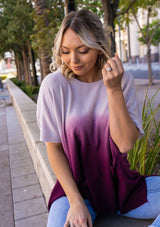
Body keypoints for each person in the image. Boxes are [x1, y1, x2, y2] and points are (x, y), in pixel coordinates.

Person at [37, 9, 160, 227]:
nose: (72, 59)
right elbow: (53, 148)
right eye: (65, 51)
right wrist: (75, 202)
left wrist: (113, 90)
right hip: (74, 191)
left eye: (82, 50)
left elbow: (124, 144)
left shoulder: (122, 80)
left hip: (121, 189)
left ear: (98, 46)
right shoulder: (54, 86)